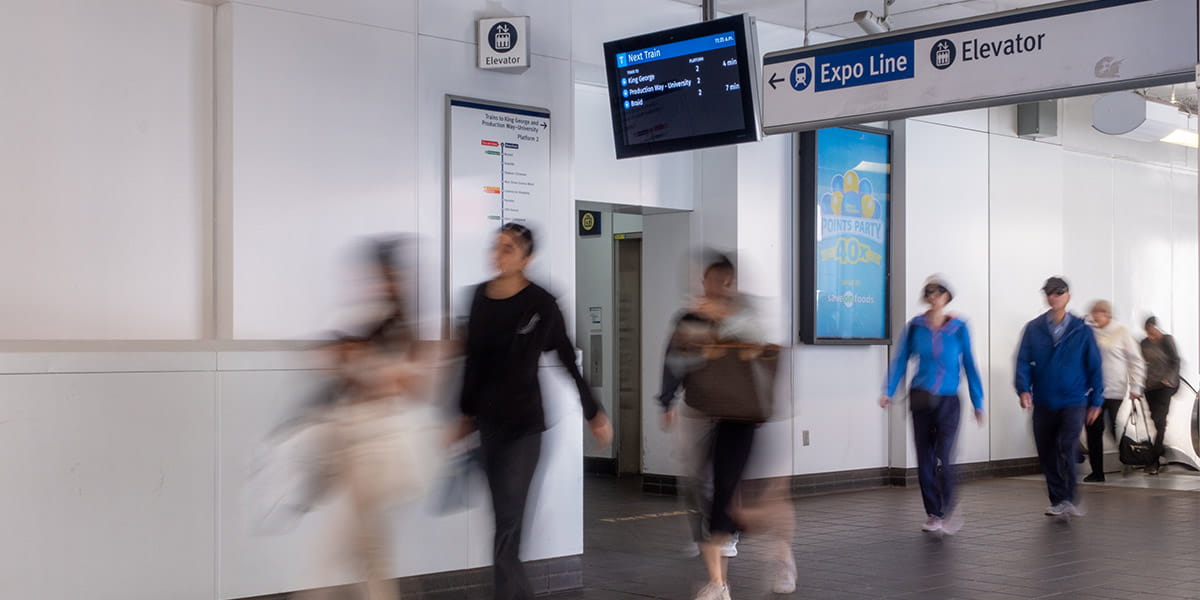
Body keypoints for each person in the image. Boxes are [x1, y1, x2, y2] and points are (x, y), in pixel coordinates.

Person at [455, 223, 612, 600]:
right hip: (488, 426)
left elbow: (565, 359)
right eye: (496, 246)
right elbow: (472, 361)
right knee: (504, 525)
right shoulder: (478, 297)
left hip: (524, 429)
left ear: (527, 257)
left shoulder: (540, 303)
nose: (498, 254)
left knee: (507, 525)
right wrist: (462, 415)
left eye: (508, 248)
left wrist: (594, 412)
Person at [659, 252, 791, 600]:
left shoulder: (744, 313)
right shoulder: (690, 317)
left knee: (739, 504)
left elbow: (760, 348)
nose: (713, 288)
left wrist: (724, 320)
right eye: (709, 280)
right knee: (708, 493)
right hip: (703, 414)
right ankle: (719, 583)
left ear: (731, 284)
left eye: (722, 282)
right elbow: (675, 360)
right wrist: (667, 399)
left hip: (742, 417)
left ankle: (779, 552)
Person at [881, 275, 984, 534]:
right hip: (921, 397)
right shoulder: (915, 326)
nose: (933, 297)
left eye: (938, 292)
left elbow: (970, 364)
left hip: (949, 400)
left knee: (945, 456)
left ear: (947, 297)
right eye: (929, 292)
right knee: (925, 457)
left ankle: (949, 507)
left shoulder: (959, 327)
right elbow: (901, 360)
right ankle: (934, 513)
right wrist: (889, 391)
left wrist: (978, 401)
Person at [1015, 276, 1104, 517]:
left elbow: (1095, 366)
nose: (1053, 296)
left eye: (1059, 292)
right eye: (1049, 293)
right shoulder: (1034, 329)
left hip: (1074, 400)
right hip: (1044, 400)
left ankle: (1069, 496)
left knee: (1066, 445)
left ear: (1068, 296)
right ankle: (1058, 499)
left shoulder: (1082, 330)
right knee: (1046, 451)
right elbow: (1022, 362)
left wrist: (1096, 401)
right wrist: (1023, 389)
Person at [1083, 300, 1145, 482]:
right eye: (1093, 313)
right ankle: (1097, 472)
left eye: (1099, 313)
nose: (1095, 317)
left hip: (1114, 389)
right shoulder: (1089, 333)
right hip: (1093, 390)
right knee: (1093, 430)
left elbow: (1136, 360)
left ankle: (1128, 458)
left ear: (1108, 314)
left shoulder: (1121, 332)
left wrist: (1136, 386)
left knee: (1114, 428)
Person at [1140, 316, 1180, 475]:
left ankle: (1153, 461)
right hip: (1150, 386)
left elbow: (1176, 361)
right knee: (1155, 421)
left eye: (1152, 332)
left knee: (1160, 420)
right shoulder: (1143, 343)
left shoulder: (1167, 340)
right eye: (1148, 332)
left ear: (1157, 328)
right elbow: (1139, 362)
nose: (1151, 336)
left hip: (1165, 386)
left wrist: (1169, 378)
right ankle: (1160, 449)